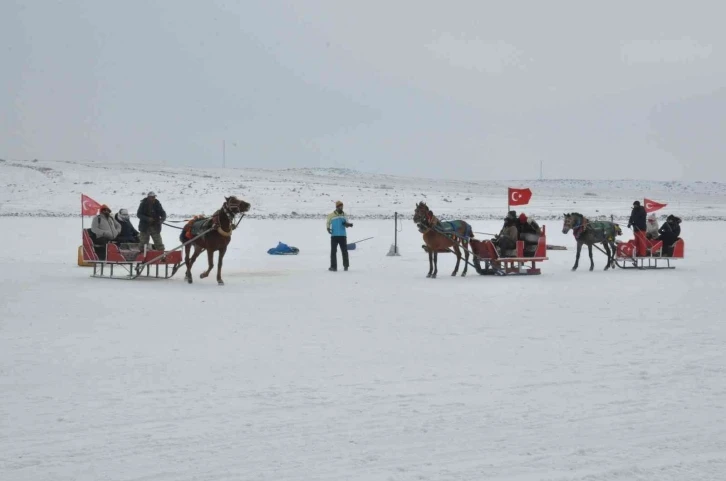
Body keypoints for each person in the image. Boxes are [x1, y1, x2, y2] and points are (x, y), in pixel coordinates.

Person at [326, 200, 353, 271]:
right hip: (334, 236)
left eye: (342, 206)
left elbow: (346, 223)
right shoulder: (331, 215)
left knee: (344, 251)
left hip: (343, 236)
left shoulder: (345, 215)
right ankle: (333, 267)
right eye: (340, 206)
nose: (341, 207)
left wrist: (348, 225)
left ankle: (346, 266)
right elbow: (328, 223)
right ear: (337, 207)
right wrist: (328, 228)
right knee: (333, 252)